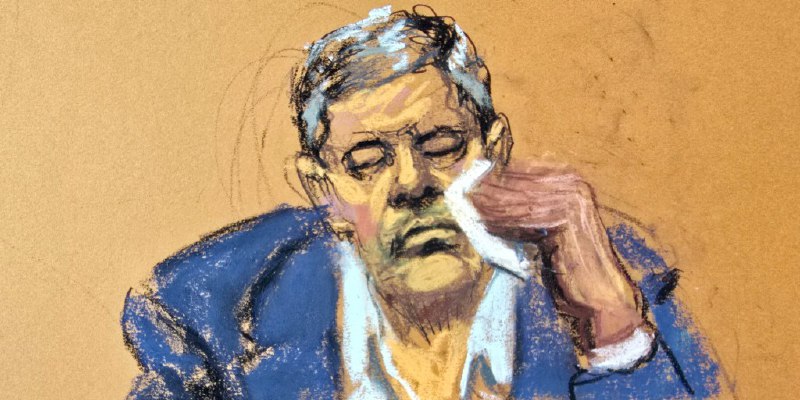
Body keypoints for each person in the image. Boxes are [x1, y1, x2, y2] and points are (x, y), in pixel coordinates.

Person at [122, 6, 720, 399]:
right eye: (367, 160)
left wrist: (610, 329)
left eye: (441, 144)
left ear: (494, 150)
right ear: (322, 190)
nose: (412, 183)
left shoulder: (622, 278)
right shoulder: (212, 315)